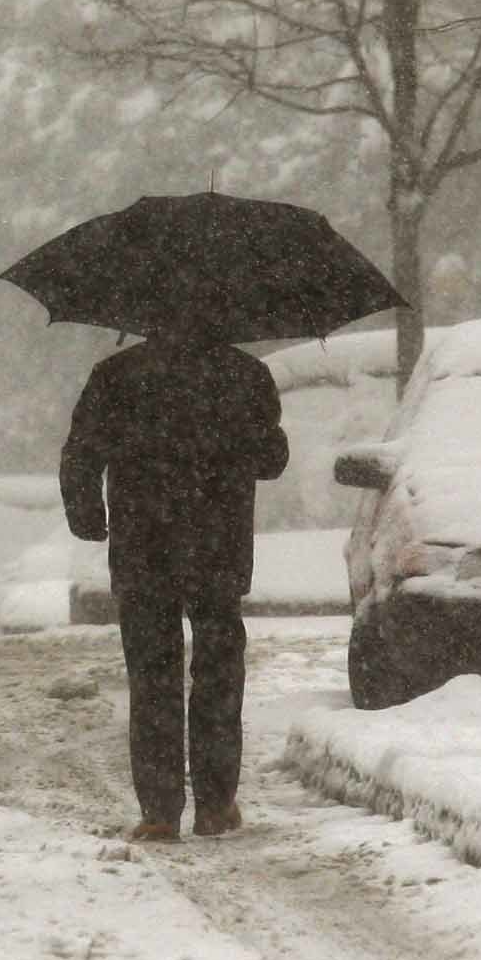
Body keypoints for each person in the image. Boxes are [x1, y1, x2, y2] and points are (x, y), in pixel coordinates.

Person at [60, 325, 289, 841]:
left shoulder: (116, 375)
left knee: (152, 675)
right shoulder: (245, 373)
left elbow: (81, 451)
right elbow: (272, 461)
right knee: (218, 672)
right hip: (218, 544)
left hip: (145, 545)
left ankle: (161, 810)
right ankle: (215, 803)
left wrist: (88, 513)